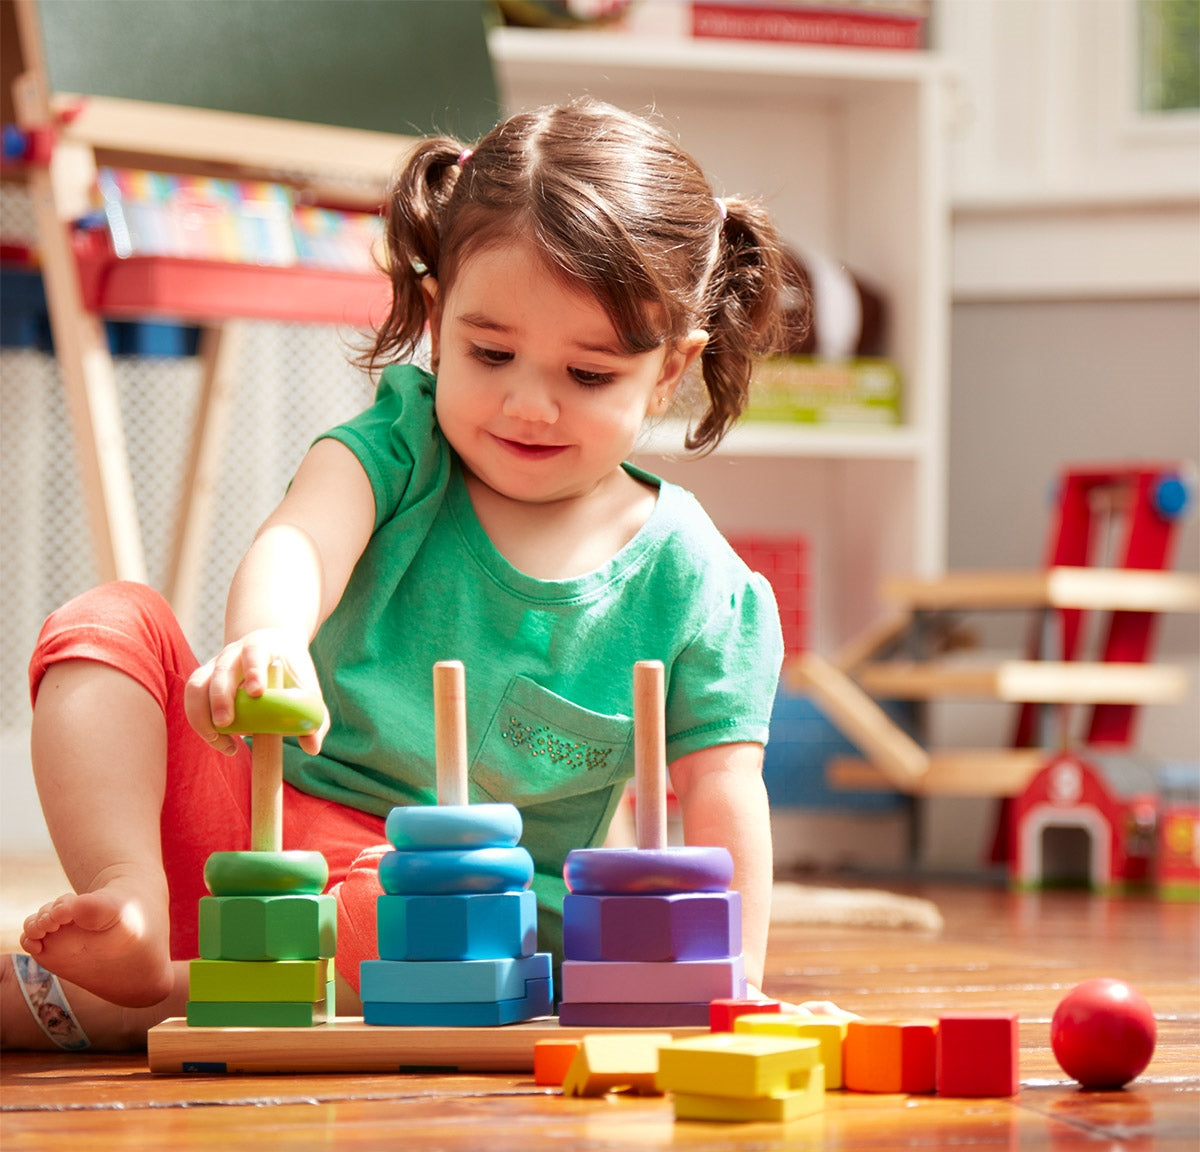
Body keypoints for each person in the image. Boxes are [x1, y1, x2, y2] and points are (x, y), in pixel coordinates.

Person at [4, 98, 801, 1051]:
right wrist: (269, 640)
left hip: (445, 914)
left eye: (588, 376)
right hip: (252, 826)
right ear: (435, 318)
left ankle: (155, 989)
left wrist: (733, 983)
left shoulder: (700, 584)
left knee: (433, 899)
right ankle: (128, 898)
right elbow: (304, 538)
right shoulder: (401, 446)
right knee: (108, 624)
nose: (528, 403)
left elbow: (722, 794)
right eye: (490, 352)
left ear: (669, 372)